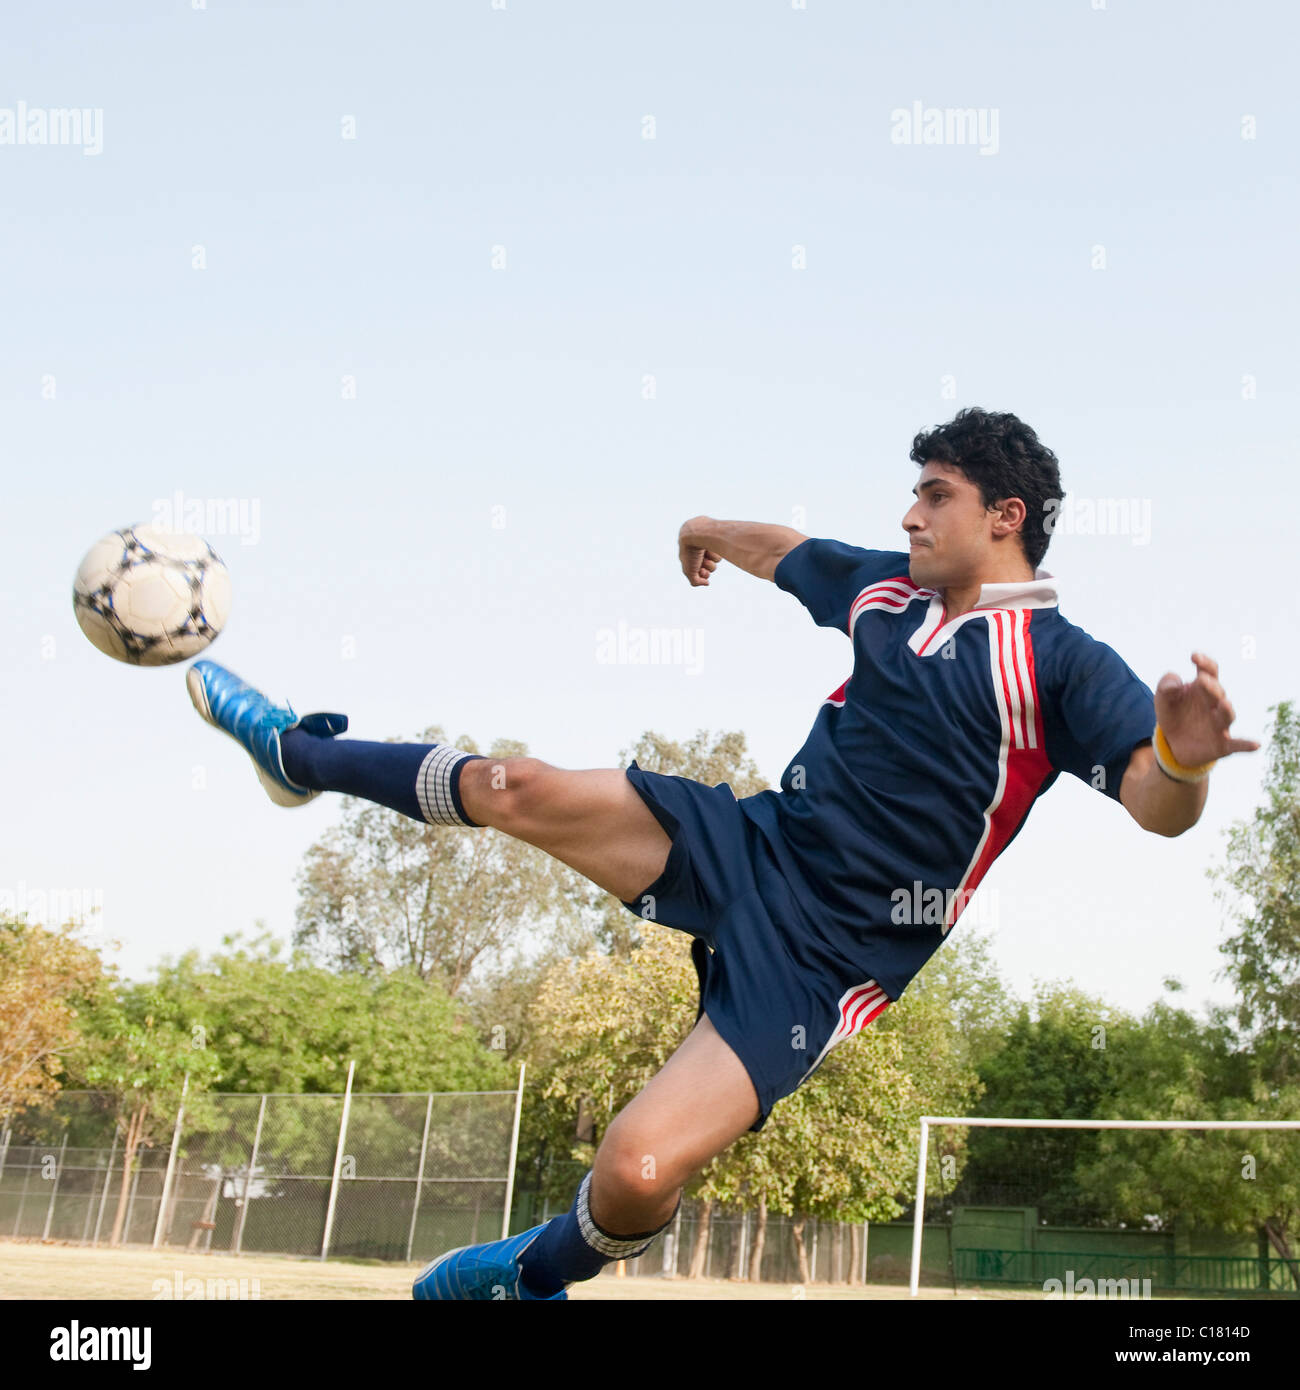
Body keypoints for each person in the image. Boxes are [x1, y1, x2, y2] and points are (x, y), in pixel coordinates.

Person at [186, 407, 1259, 1299]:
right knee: (518, 784)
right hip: (750, 843)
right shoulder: (884, 588)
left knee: (636, 1167)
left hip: (831, 955)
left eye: (934, 493)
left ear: (1004, 514)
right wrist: (703, 524)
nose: (910, 511)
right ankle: (297, 753)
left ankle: (533, 1272)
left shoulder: (1063, 663)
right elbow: (788, 554)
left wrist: (1182, 752)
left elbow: (1155, 806)